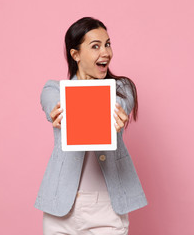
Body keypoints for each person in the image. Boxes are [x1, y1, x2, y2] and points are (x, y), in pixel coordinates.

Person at [35, 17, 148, 235]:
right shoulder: (55, 90)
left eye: (107, 44)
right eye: (95, 46)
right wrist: (57, 112)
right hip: (60, 207)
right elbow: (51, 103)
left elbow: (119, 105)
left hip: (107, 208)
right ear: (75, 54)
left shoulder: (122, 88)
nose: (105, 52)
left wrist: (115, 117)